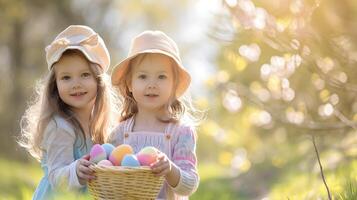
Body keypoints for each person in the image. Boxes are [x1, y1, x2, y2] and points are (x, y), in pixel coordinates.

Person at [19, 25, 119, 199]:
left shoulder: (99, 125)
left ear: (98, 81)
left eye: (85, 75)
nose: (76, 84)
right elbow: (56, 175)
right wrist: (76, 171)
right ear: (55, 85)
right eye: (66, 77)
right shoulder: (60, 126)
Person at [109, 30, 202, 200]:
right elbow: (110, 176)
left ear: (174, 84)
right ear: (130, 83)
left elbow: (189, 185)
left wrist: (170, 169)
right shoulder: (119, 133)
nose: (152, 84)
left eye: (161, 76)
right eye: (143, 76)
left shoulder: (181, 132)